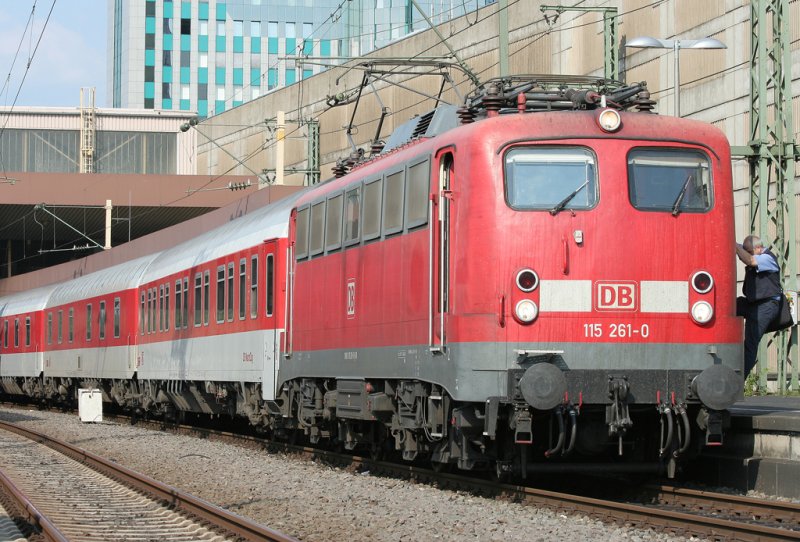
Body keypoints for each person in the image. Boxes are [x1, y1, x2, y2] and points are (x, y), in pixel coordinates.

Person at [735, 235, 782, 375]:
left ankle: (739, 380)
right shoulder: (755, 251)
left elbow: (750, 260)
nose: (746, 255)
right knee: (726, 306)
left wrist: (737, 248)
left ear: (759, 248)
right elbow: (738, 246)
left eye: (749, 251)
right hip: (752, 303)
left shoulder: (767, 258)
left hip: (766, 305)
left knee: (750, 344)